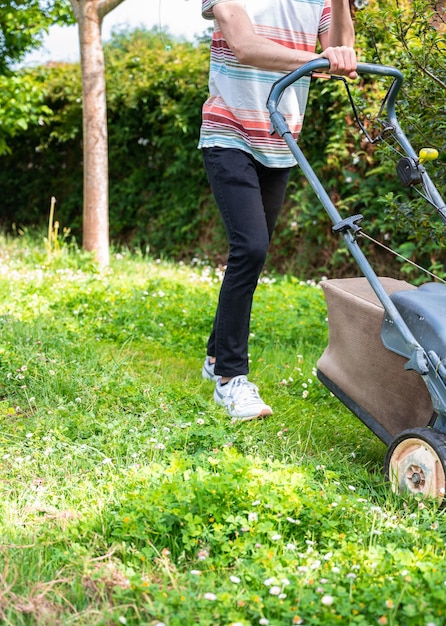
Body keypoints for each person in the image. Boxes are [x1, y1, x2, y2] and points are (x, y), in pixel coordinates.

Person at [199, 0, 357, 421]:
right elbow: (246, 46)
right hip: (228, 130)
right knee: (249, 248)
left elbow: (342, 51)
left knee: (255, 251)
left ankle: (216, 356)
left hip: (279, 138)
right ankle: (230, 379)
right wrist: (322, 60)